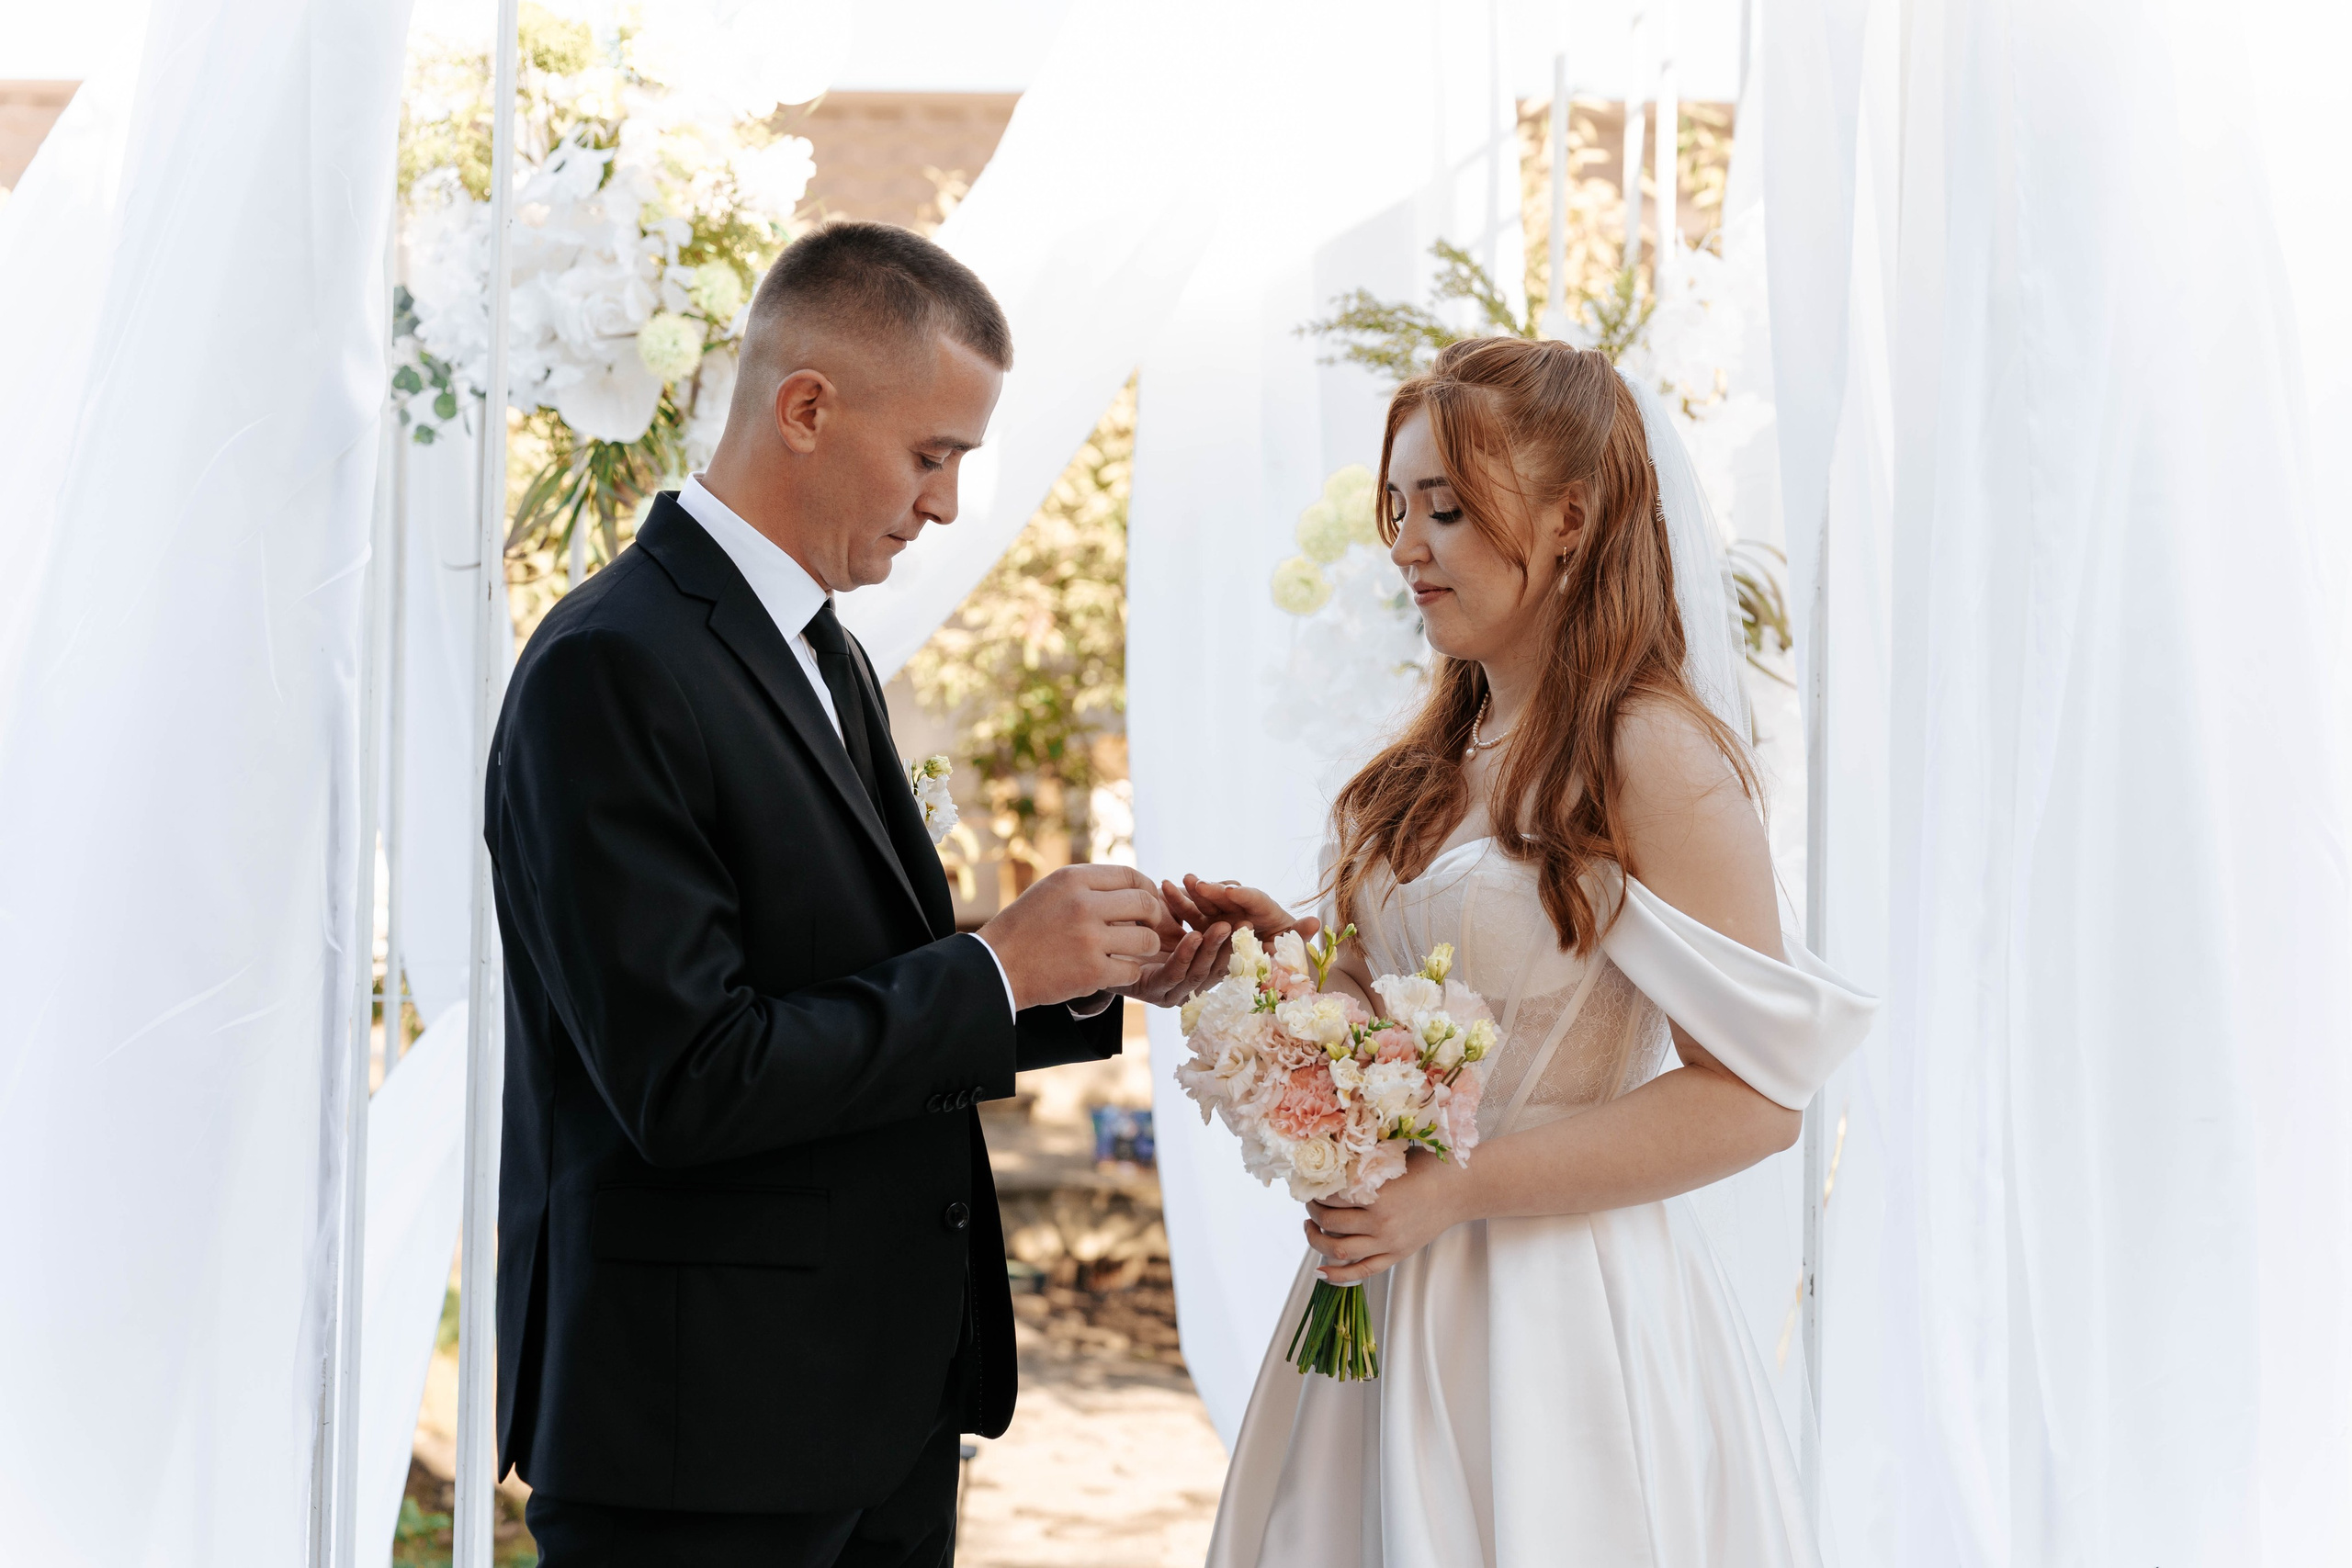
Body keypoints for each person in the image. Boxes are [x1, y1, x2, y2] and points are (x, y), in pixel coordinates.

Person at [483, 221, 1232, 1567]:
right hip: (698, 1442)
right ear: (809, 408)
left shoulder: (822, 652)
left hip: (864, 1416)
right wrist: (999, 967)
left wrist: (1086, 974)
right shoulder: (613, 666)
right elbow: (689, 1076)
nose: (945, 503)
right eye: (933, 455)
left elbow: (836, 983)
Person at [1173, 338, 1876, 1566]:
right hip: (1387, 1295)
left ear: (1567, 519)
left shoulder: (1652, 754)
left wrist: (1460, 1189)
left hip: (1568, 1324)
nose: (1404, 543)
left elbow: (1758, 1100)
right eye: (1395, 508)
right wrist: (1276, 966)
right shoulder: (1420, 769)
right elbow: (1403, 1018)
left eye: (1444, 507)